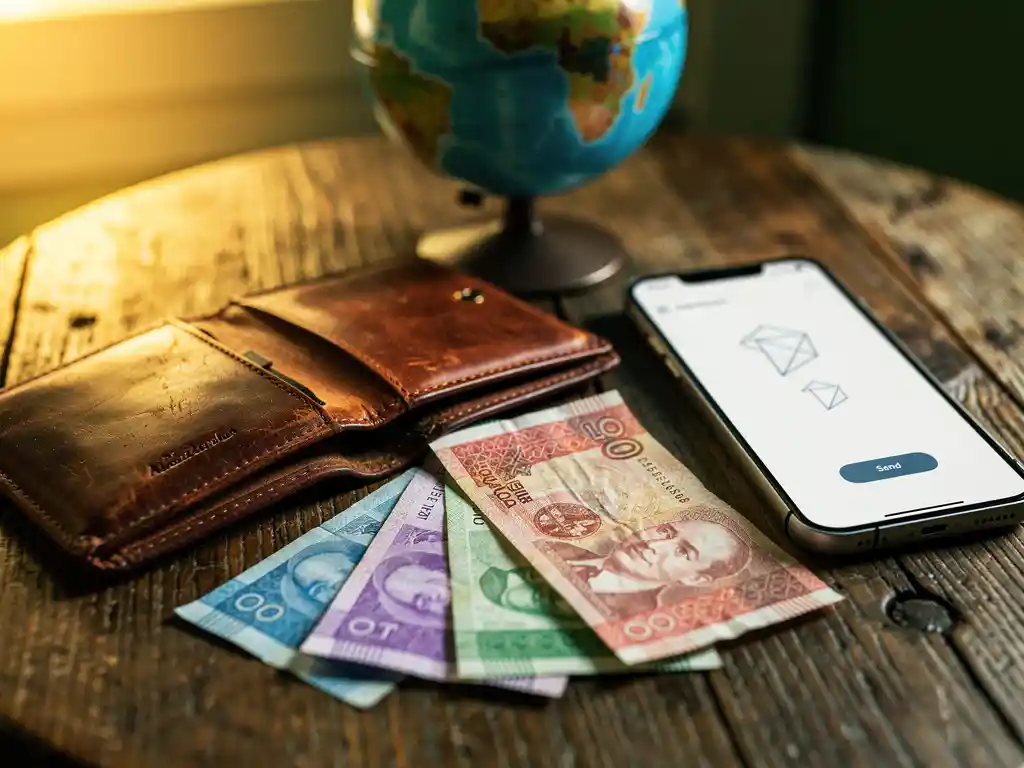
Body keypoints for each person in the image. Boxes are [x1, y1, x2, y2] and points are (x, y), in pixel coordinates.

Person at [547, 519, 751, 616]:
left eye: (683, 552)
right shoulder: (553, 546)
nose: (654, 545)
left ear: (695, 579)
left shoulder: (627, 618)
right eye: (665, 532)